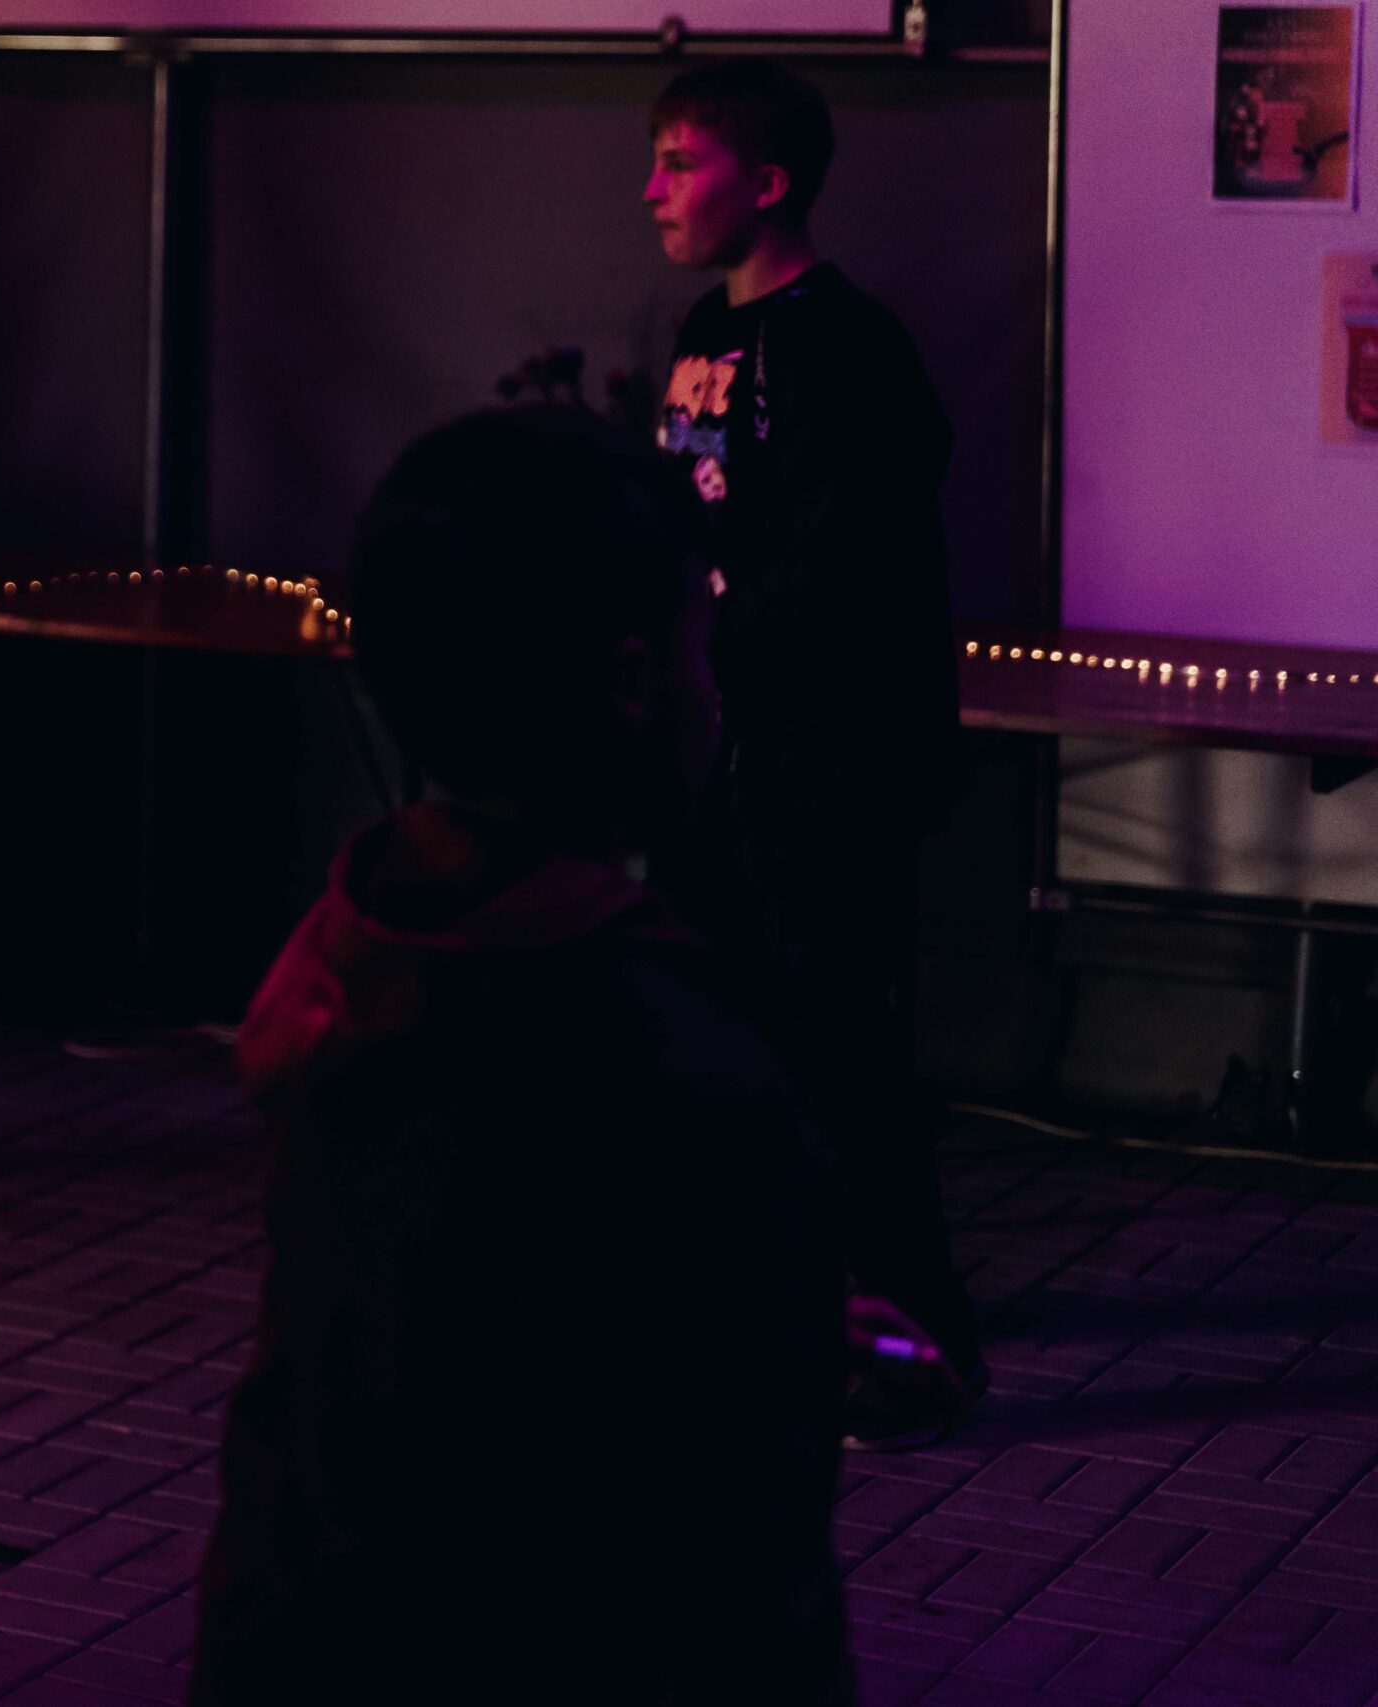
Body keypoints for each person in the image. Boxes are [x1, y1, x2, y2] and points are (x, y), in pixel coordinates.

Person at [191, 408, 851, 1705]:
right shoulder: (668, 1056)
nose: (715, 685)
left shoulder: (352, 963)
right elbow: (736, 1537)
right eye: (700, 639)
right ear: (633, 682)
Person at [645, 59, 983, 1447]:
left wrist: (736, 636)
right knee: (728, 1041)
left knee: (844, 1054)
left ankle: (920, 1342)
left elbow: (855, 557)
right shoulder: (697, 329)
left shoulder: (847, 346)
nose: (654, 190)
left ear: (768, 182)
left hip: (825, 764)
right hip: (720, 759)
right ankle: (769, 1310)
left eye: (682, 161)